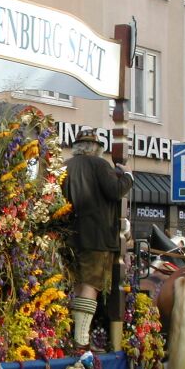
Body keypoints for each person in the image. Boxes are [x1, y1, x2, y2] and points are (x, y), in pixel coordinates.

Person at [62, 128, 134, 350]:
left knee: (76, 284)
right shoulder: (99, 164)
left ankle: (72, 336)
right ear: (96, 148)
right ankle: (81, 340)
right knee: (91, 284)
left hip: (70, 236)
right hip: (97, 237)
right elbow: (114, 191)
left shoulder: (66, 166)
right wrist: (128, 177)